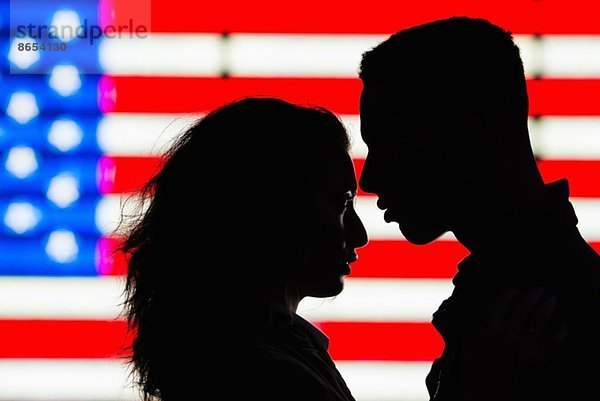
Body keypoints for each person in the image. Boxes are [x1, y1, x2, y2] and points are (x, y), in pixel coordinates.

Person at [119, 97, 563, 401]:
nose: (359, 234)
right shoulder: (263, 375)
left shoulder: (246, 353)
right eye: (340, 201)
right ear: (270, 207)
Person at [358, 16, 600, 401]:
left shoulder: (552, 313)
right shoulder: (526, 300)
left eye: (391, 144)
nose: (367, 179)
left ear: (468, 132)